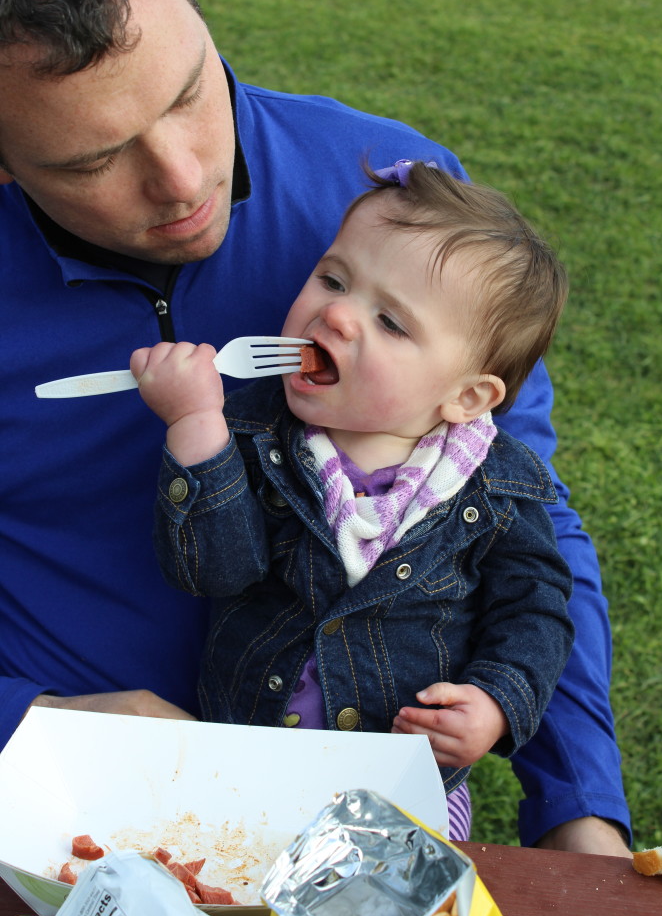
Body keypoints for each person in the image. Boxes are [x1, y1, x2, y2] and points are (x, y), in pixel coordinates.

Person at [0, 0, 630, 854]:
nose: (180, 179)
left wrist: (579, 813)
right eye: (94, 159)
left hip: (359, 810)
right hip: (53, 812)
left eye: (185, 94)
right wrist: (34, 721)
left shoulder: (397, 212)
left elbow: (521, 520)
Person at [132, 160, 576, 842]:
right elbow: (214, 573)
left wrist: (493, 702)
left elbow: (535, 607)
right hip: (247, 764)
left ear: (465, 397)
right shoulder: (252, 433)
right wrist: (196, 430)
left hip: (403, 786)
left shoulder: (490, 489)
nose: (334, 312)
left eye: (391, 322)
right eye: (332, 279)